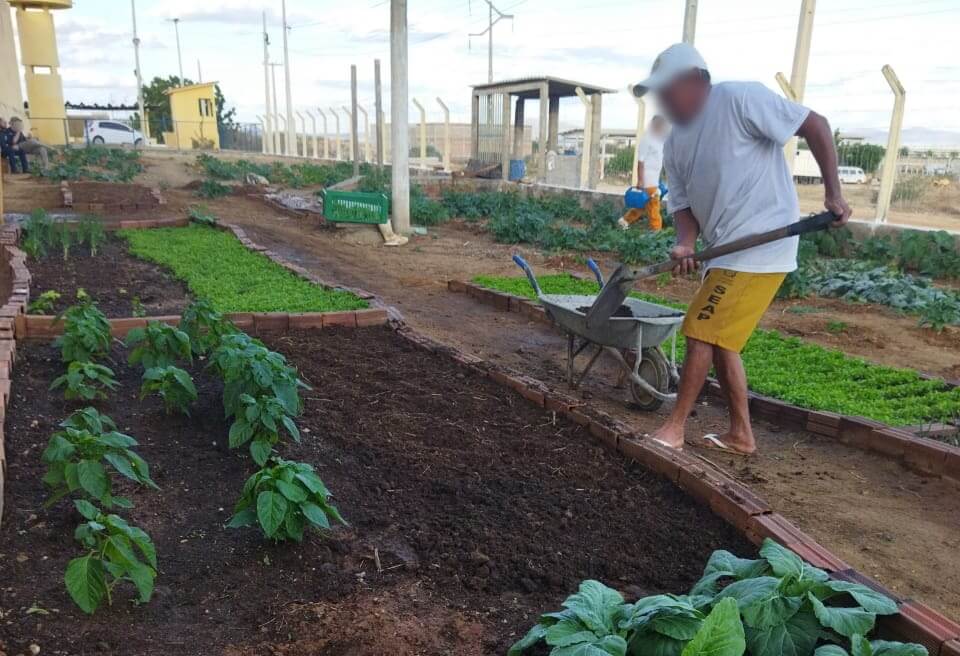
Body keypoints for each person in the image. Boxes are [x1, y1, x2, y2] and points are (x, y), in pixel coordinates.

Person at [633, 43, 851, 455]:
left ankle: (674, 429)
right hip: (724, 249)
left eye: (667, 89)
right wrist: (686, 243)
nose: (661, 100)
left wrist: (833, 194)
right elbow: (681, 204)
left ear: (696, 81)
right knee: (721, 342)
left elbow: (815, 124)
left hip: (763, 246)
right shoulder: (676, 143)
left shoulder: (739, 100)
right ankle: (741, 435)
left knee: (700, 328)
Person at [618, 115, 669, 232]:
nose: (662, 128)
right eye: (660, 125)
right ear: (654, 124)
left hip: (654, 180)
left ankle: (624, 221)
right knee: (654, 207)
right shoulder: (647, 139)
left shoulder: (659, 141)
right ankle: (657, 232)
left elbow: (657, 161)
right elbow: (641, 161)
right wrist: (640, 180)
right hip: (647, 181)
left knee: (642, 206)